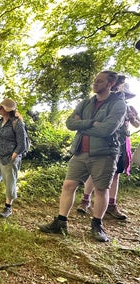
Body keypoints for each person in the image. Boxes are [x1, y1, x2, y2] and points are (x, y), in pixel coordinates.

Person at [38, 70, 126, 242]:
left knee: (101, 189)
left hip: (104, 154)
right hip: (80, 151)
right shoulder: (86, 102)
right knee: (68, 185)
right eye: (95, 80)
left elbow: (108, 129)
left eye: (100, 81)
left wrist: (81, 124)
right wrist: (92, 123)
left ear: (110, 84)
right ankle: (61, 223)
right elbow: (70, 123)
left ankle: (97, 224)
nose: (95, 83)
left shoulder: (118, 104)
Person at [77, 79, 140, 220]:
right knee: (95, 172)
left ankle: (111, 205)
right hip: (104, 141)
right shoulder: (104, 106)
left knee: (116, 173)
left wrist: (132, 118)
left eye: (124, 94)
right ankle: (85, 200)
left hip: (122, 143)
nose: (121, 96)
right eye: (119, 92)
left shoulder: (129, 108)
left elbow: (137, 124)